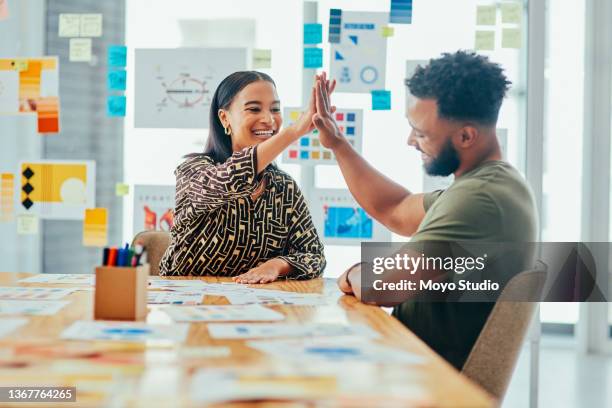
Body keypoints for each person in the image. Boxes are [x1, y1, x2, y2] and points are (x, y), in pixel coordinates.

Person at [312, 52, 538, 369]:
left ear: (466, 135)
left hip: (426, 379)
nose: (410, 141)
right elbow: (397, 209)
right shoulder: (491, 183)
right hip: (412, 361)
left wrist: (350, 273)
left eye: (421, 133)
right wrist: (338, 143)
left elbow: (382, 286)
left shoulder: (479, 198)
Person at [160, 71, 335, 283]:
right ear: (224, 118)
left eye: (275, 109)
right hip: (186, 304)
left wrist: (278, 265)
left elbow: (314, 256)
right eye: (254, 109)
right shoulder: (193, 171)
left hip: (257, 306)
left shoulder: (284, 187)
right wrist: (294, 131)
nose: (269, 120)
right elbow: (229, 179)